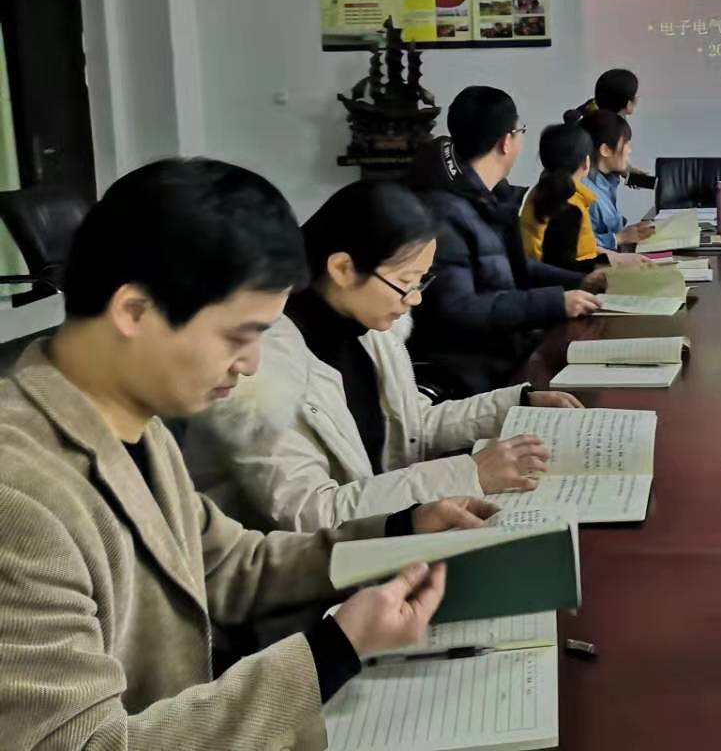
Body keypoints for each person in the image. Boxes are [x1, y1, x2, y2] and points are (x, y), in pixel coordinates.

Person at [0, 158, 499, 748]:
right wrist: (333, 651)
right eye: (239, 335)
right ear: (135, 312)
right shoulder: (20, 498)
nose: (253, 363)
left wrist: (399, 527)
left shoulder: (134, 420)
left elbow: (232, 564)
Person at [186, 180, 582, 533]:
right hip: (311, 574)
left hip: (387, 539)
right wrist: (468, 473)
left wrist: (516, 403)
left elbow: (412, 427)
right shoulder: (257, 370)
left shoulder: (368, 331)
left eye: (422, 281)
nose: (415, 299)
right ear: (343, 268)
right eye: (406, 282)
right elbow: (310, 512)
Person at [410, 86, 603, 396]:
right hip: (477, 373)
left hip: (508, 353)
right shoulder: (445, 211)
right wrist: (555, 302)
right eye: (520, 131)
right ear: (506, 141)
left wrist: (582, 280)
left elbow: (517, 268)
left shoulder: (488, 197)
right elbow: (459, 308)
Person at [520, 122, 647, 274]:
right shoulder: (568, 205)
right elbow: (567, 267)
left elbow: (583, 248)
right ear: (586, 163)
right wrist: (615, 261)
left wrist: (617, 257)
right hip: (569, 284)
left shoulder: (541, 191)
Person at [580, 108, 656, 252]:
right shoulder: (584, 190)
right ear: (605, 150)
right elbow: (573, 245)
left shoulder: (605, 178)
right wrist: (620, 237)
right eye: (626, 143)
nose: (629, 150)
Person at [565, 68, 655, 189]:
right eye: (634, 95)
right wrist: (624, 169)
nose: (637, 98)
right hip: (595, 184)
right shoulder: (606, 128)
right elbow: (602, 160)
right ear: (628, 104)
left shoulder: (595, 111)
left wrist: (627, 170)